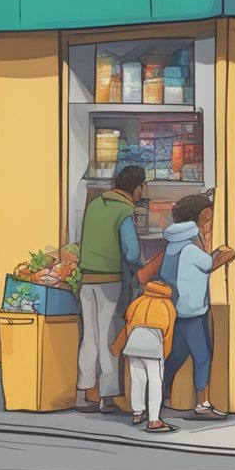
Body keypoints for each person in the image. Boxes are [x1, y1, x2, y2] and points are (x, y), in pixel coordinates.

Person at [75, 165, 146, 414]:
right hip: (110, 281)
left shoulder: (96, 204)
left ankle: (86, 391)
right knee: (108, 338)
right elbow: (132, 252)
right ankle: (108, 394)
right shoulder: (124, 210)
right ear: (137, 188)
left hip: (87, 280)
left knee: (90, 337)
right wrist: (141, 267)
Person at [160, 194, 235, 420]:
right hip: (192, 311)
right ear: (202, 216)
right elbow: (210, 263)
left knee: (176, 356)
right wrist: (227, 253)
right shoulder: (191, 249)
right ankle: (202, 404)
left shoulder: (174, 245)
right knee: (202, 356)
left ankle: (157, 395)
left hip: (179, 309)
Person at [109, 280, 178, 433]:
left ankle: (138, 412)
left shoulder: (138, 302)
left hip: (134, 346)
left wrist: (117, 346)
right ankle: (154, 420)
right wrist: (164, 354)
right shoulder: (167, 306)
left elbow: (128, 326)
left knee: (137, 380)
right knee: (155, 382)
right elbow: (168, 333)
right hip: (153, 348)